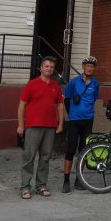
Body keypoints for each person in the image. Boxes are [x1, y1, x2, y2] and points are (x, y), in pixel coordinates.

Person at [17, 56, 64, 199]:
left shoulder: (56, 85)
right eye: (46, 66)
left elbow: (60, 105)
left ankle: (41, 186)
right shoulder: (32, 84)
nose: (49, 69)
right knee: (29, 157)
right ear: (41, 68)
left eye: (51, 67)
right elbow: (22, 105)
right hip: (33, 126)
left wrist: (60, 124)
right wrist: (20, 125)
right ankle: (25, 187)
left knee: (45, 157)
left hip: (50, 126)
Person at [61, 56, 100, 193]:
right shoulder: (74, 82)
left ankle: (79, 179)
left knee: (83, 150)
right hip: (74, 120)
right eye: (88, 66)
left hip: (88, 120)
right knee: (71, 149)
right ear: (83, 67)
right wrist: (72, 114)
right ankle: (66, 181)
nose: (90, 68)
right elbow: (67, 100)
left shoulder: (95, 83)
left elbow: (94, 98)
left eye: (92, 66)